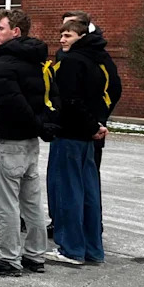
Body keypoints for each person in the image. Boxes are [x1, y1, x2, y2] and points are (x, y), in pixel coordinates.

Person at [0, 9, 50, 276]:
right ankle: (35, 254)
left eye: (0, 28)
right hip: (29, 143)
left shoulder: (2, 65)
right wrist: (39, 127)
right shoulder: (35, 62)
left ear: (16, 32)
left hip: (8, 140)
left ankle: (8, 258)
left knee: (4, 203)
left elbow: (10, 103)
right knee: (31, 202)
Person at [44, 18, 121, 265]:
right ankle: (93, 248)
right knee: (88, 190)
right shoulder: (98, 60)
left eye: (67, 35)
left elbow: (71, 101)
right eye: (62, 35)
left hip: (70, 134)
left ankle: (71, 248)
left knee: (68, 191)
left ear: (81, 37)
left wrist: (91, 125)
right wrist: (97, 124)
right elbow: (105, 94)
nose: (61, 40)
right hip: (88, 135)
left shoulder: (71, 62)